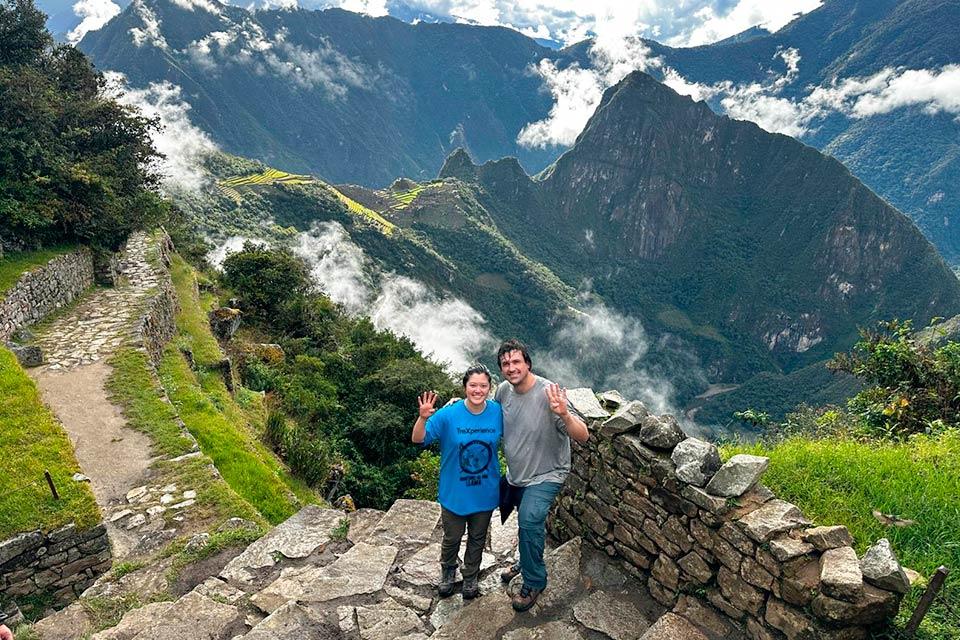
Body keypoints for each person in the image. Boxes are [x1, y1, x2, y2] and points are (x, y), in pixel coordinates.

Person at [495, 338, 588, 612]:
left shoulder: (549, 393)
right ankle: (526, 561)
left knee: (529, 519)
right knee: (525, 524)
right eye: (505, 364)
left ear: (528, 363)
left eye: (516, 362)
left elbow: (583, 436)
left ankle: (534, 580)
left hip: (548, 473)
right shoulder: (503, 391)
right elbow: (492, 419)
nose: (511, 368)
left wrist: (565, 415)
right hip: (518, 474)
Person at [411, 364, 502, 600]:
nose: (478, 390)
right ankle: (448, 571)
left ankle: (470, 575)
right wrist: (422, 418)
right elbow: (418, 439)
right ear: (464, 387)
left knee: (477, 538)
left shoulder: (497, 412)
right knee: (451, 537)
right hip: (454, 492)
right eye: (473, 385)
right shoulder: (449, 414)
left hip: (485, 491)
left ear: (489, 389)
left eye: (483, 386)